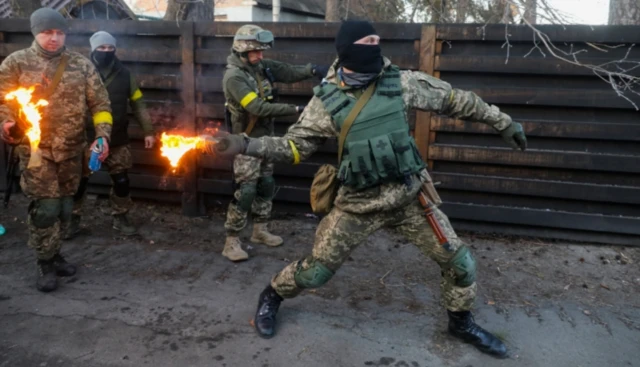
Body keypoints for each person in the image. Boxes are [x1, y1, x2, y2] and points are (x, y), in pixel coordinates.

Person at [203, 20, 527, 358]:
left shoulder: (401, 83)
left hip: (408, 198)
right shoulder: (326, 101)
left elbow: (455, 100)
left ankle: (460, 322)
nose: (375, 45)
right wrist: (244, 145)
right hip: (357, 204)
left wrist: (502, 122)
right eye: (366, 40)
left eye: (377, 39)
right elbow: (294, 148)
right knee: (315, 273)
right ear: (347, 49)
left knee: (461, 263)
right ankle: (272, 295)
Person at [0, 8, 112, 292]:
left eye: (59, 33)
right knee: (46, 208)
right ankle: (45, 262)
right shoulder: (16, 63)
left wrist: (102, 136)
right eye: (47, 32)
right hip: (37, 150)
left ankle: (55, 252)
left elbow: (100, 104)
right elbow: (3, 100)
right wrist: (6, 122)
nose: (54, 38)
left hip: (72, 150)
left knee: (64, 206)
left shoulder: (81, 65)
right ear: (35, 32)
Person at [220, 24, 329, 261]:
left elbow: (287, 72)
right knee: (245, 191)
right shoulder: (234, 77)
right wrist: (298, 108)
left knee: (266, 184)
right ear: (242, 51)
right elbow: (257, 107)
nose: (261, 55)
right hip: (244, 142)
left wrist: (313, 70)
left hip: (266, 140)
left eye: (262, 51)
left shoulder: (260, 67)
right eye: (256, 51)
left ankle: (259, 231)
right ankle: (231, 241)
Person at [65, 31, 156, 239]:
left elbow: (139, 105)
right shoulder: (80, 72)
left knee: (122, 180)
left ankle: (121, 216)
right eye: (101, 48)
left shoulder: (125, 74)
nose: (106, 51)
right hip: (86, 138)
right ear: (93, 49)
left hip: (117, 138)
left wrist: (148, 131)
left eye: (110, 48)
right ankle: (73, 219)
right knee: (79, 181)